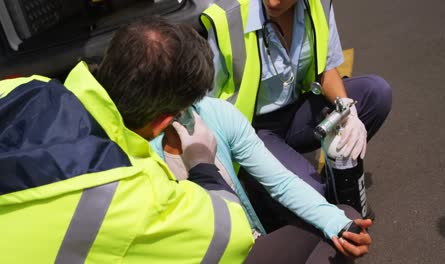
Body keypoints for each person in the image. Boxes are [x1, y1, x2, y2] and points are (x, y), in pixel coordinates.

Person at [0, 17, 254, 263]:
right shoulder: (135, 192)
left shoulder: (23, 88)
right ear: (163, 122)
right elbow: (234, 236)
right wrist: (203, 165)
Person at [200, 0, 392, 218]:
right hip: (253, 131)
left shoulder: (319, 5)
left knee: (376, 93)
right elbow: (205, 103)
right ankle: (257, 187)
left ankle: (333, 182)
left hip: (297, 111)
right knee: (311, 195)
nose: (274, 2)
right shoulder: (228, 19)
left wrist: (347, 109)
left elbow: (326, 67)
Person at [151, 96, 373, 262]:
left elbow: (281, 182)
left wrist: (336, 223)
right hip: (212, 256)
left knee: (345, 224)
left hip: (248, 242)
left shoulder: (213, 113)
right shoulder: (142, 158)